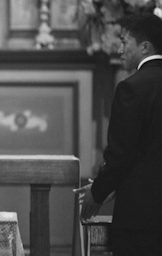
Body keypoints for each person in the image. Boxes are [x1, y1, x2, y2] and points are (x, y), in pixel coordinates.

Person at [74, 13, 162, 255]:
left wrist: (98, 192)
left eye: (124, 42)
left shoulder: (132, 88)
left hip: (141, 217)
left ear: (144, 47)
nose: (119, 48)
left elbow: (121, 155)